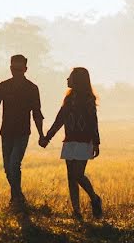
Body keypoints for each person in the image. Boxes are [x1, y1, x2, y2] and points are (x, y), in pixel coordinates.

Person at [0, 54, 44, 206]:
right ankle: (18, 197)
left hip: (22, 133)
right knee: (8, 168)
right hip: (6, 132)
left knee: (14, 164)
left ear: (25, 69)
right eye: (14, 68)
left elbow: (37, 113)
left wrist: (41, 134)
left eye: (19, 69)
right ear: (10, 68)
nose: (16, 72)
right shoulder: (3, 86)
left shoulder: (32, 89)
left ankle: (17, 198)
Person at [39, 67, 103, 220]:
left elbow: (93, 122)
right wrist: (48, 137)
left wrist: (96, 142)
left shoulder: (88, 99)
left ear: (78, 80)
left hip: (83, 141)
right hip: (70, 140)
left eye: (70, 77)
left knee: (78, 175)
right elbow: (59, 120)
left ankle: (94, 198)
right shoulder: (68, 99)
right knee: (71, 177)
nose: (67, 79)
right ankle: (76, 211)